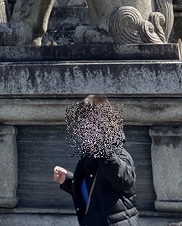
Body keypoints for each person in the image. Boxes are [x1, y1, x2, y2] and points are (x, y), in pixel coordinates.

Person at [53, 95, 138, 226]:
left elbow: (126, 183)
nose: (85, 130)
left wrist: (103, 151)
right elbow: (94, 192)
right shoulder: (89, 156)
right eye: (83, 124)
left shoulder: (118, 153)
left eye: (91, 124)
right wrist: (68, 180)